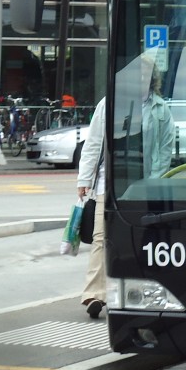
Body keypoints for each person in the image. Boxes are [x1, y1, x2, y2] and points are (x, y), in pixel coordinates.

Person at [78, 97, 108, 318]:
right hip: (107, 184)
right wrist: (84, 179)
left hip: (142, 184)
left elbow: (163, 148)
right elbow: (94, 143)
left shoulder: (159, 107)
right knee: (99, 237)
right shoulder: (107, 103)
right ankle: (94, 295)